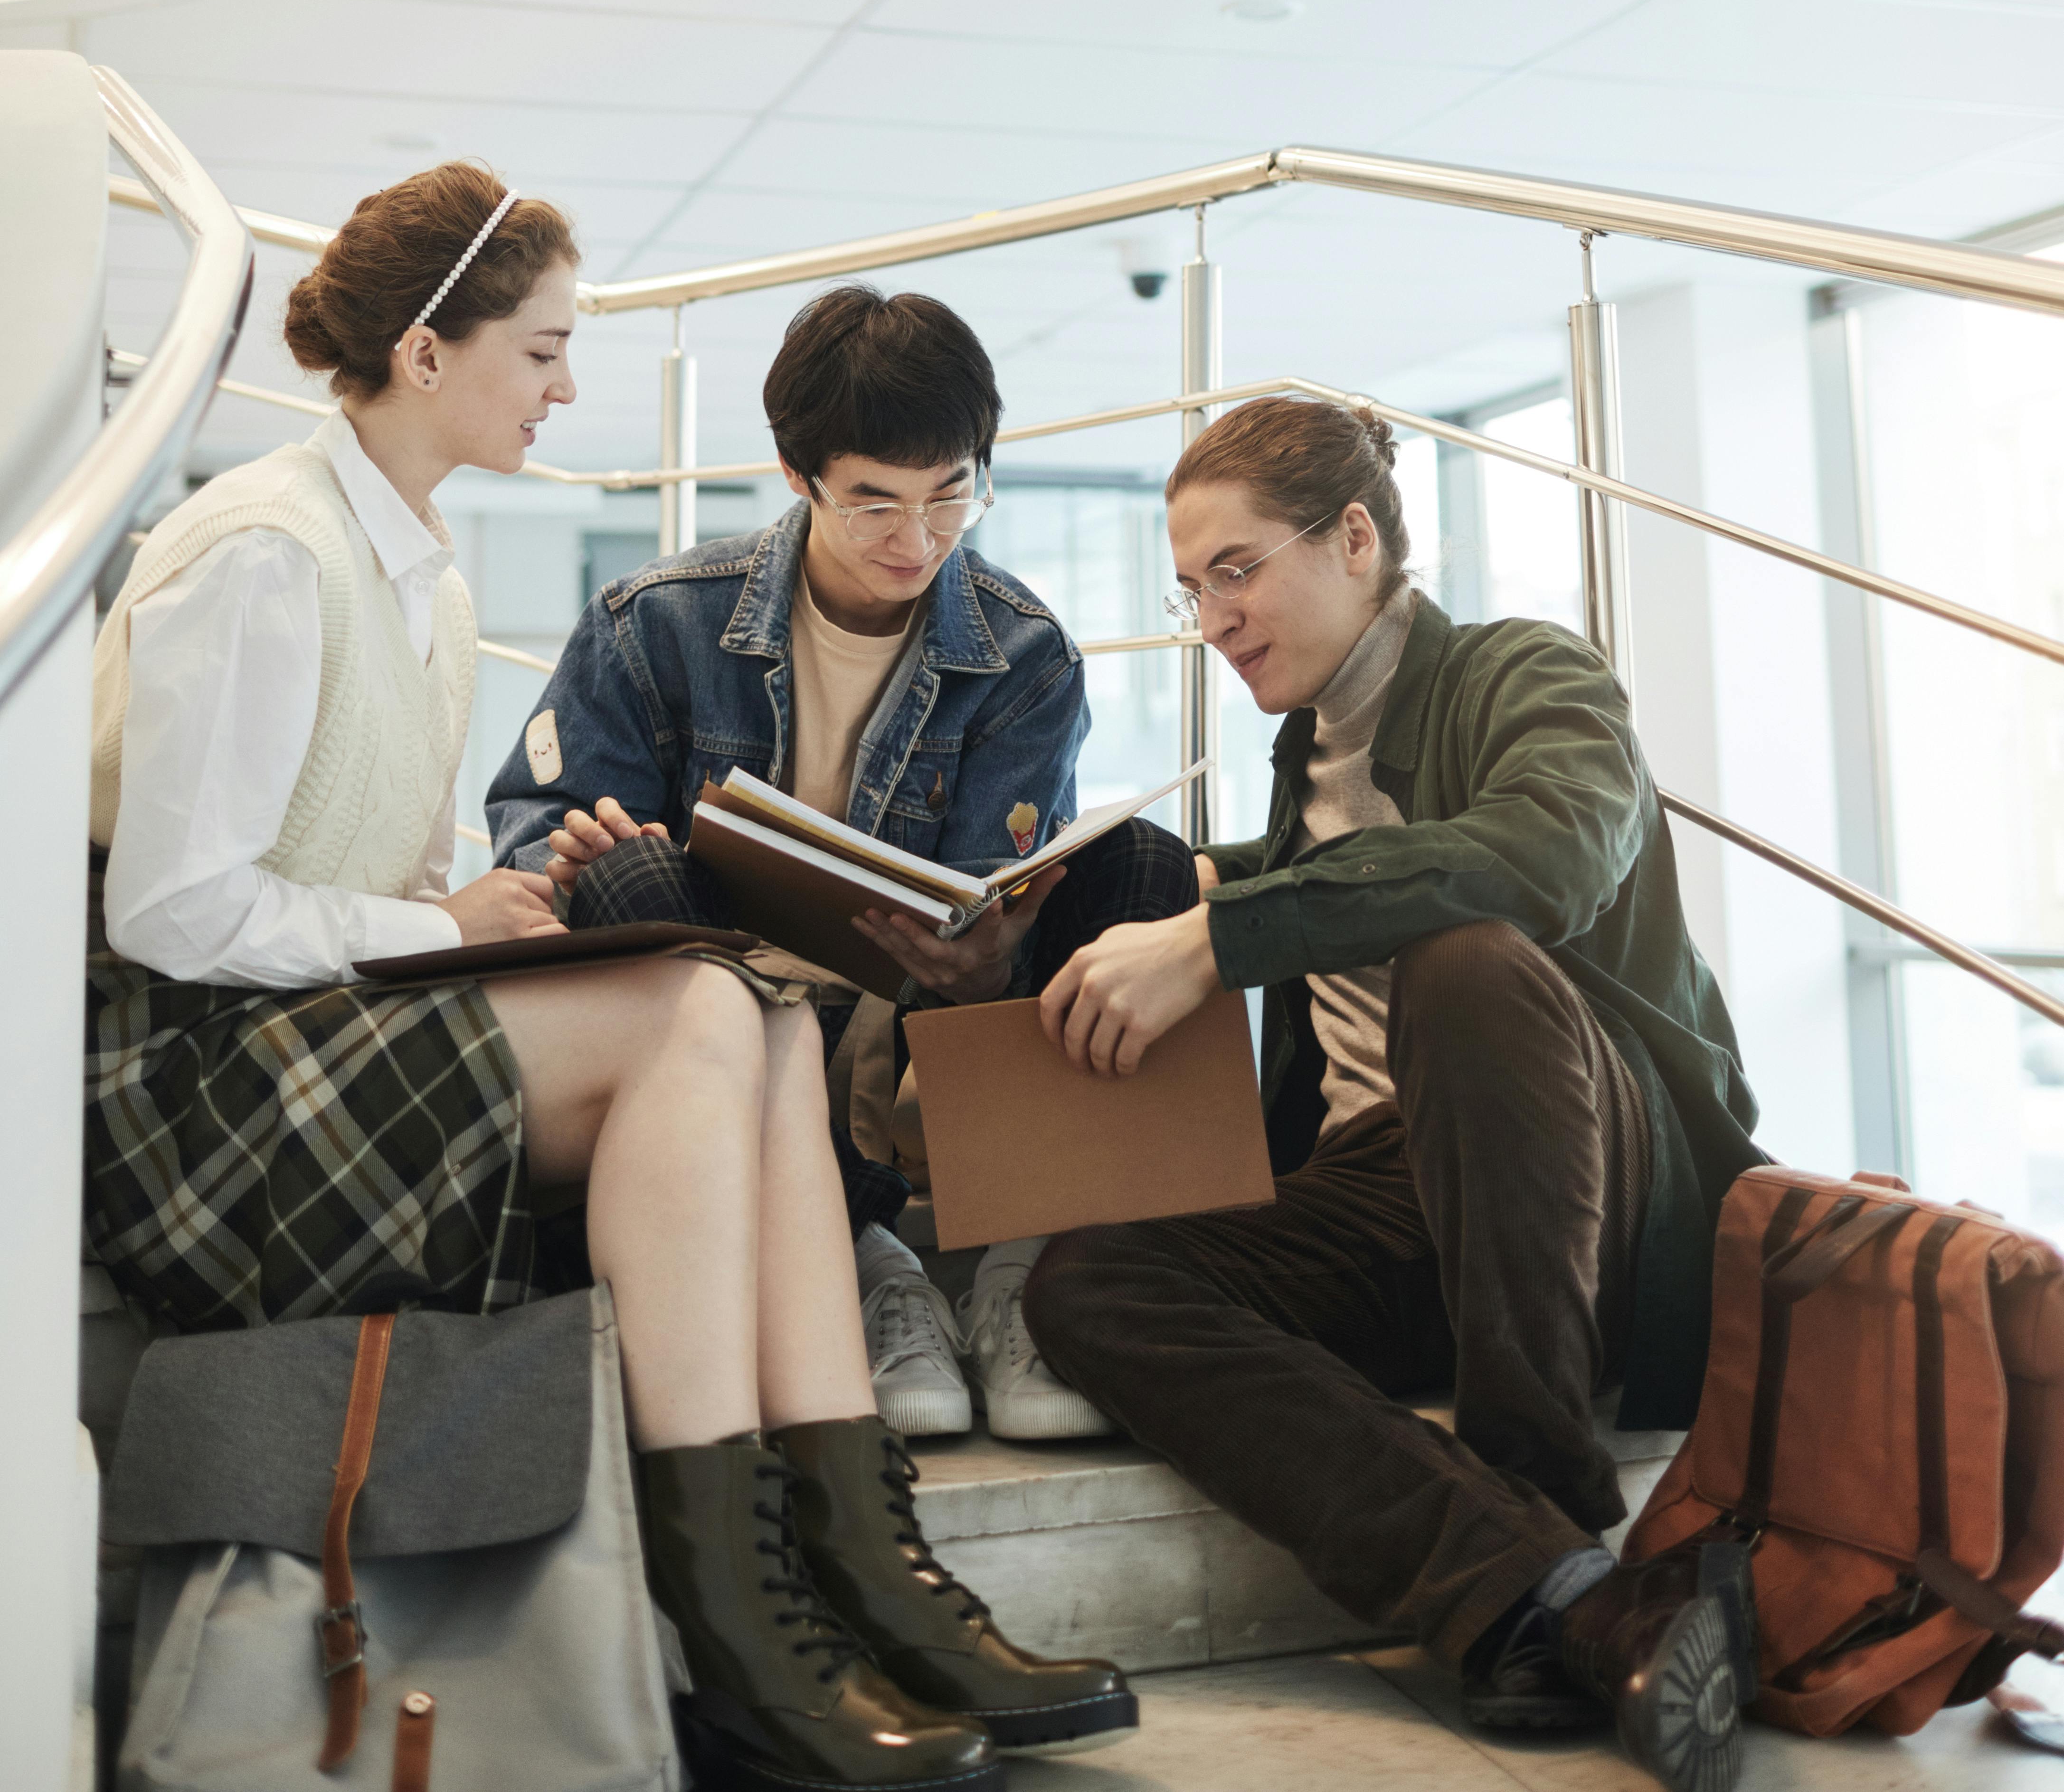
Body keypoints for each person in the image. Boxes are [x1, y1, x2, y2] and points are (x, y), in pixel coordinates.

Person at [84, 167, 1134, 1789]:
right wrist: (455, 926)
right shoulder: (263, 552)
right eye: (544, 347)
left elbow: (333, 867)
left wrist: (468, 898)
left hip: (314, 1032)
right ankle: (742, 1618)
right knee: (709, 996)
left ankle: (866, 1562)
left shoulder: (406, 559)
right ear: (429, 351)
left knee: (751, 1000)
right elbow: (170, 909)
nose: (571, 385)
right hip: (197, 1094)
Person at [1020, 394, 1765, 1792]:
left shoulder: (1529, 672)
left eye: (1235, 568)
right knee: (1087, 1285)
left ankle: (1540, 1483)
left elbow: (1538, 857)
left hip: (1597, 1181)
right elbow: (1283, 877)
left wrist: (1218, 934)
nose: (1214, 616)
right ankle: (1550, 1588)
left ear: (1353, 535)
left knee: (1466, 959)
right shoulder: (1305, 757)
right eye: (1189, 590)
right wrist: (1090, 909)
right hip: (1390, 1190)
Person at [485, 282, 1197, 1444]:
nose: (916, 541)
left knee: (1146, 873)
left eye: (949, 495)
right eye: (873, 504)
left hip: (922, 1017)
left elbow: (995, 895)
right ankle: (868, 1259)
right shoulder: (654, 623)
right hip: (727, 1017)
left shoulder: (1022, 650)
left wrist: (978, 963)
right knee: (632, 879)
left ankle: (1028, 1275)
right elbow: (537, 827)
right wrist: (571, 854)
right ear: (797, 473)